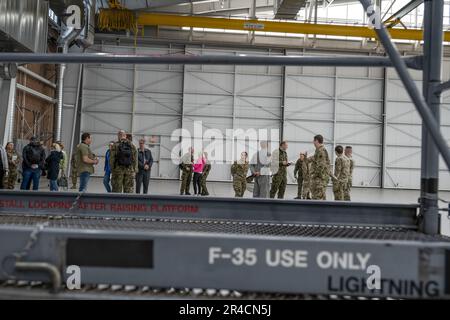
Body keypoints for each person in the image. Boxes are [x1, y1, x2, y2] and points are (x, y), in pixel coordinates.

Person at [309, 134, 331, 200]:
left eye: (314, 140)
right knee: (319, 198)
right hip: (319, 179)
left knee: (318, 199)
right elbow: (314, 159)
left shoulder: (321, 150)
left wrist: (314, 175)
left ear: (317, 141)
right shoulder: (318, 150)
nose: (313, 142)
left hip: (319, 180)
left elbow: (321, 166)